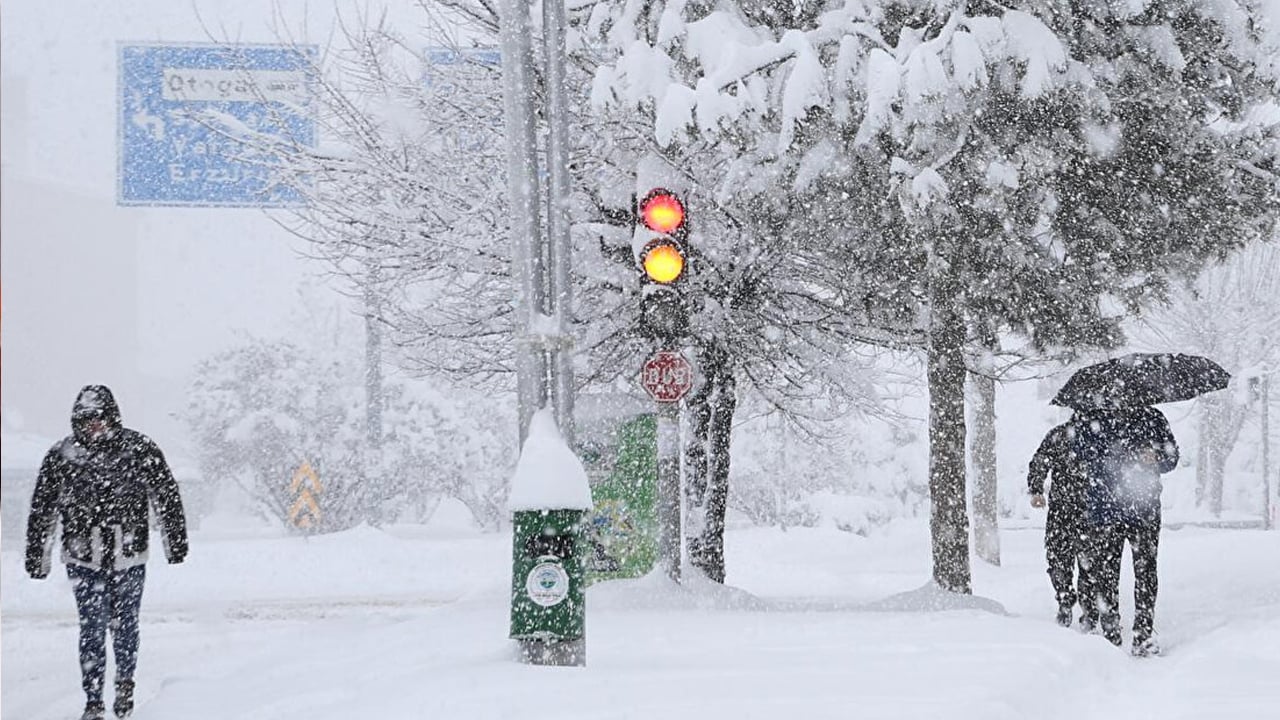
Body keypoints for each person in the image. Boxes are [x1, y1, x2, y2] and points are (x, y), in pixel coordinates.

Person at [25, 385, 188, 720]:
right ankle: (94, 699)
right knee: (92, 627)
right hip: (82, 559)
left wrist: (175, 542)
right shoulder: (62, 456)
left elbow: (166, 495)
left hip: (129, 555)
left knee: (126, 625)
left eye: (99, 419)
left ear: (112, 417)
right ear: (77, 422)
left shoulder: (138, 449)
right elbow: (43, 510)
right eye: (87, 421)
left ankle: (125, 687)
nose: (94, 427)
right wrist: (37, 556)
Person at [1073, 404, 1178, 656]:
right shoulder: (1093, 419)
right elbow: (1079, 456)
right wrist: (1109, 459)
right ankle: (1111, 633)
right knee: (1107, 573)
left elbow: (1172, 458)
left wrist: (1156, 457)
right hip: (1107, 509)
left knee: (1145, 572)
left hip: (1144, 510)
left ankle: (1143, 634)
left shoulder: (1153, 418)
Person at [1026, 415, 1096, 630]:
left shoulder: (1062, 434)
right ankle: (1080, 606)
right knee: (1084, 562)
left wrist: (1037, 488)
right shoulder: (1089, 434)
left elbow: (1040, 460)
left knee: (1063, 559)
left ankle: (1072, 603)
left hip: (1070, 509)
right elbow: (1040, 460)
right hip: (1084, 509)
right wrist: (1036, 488)